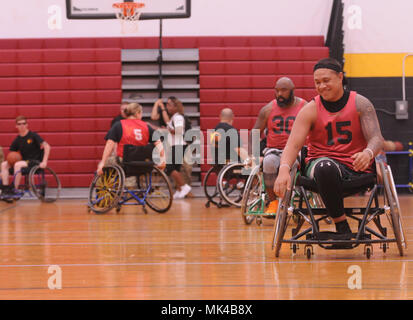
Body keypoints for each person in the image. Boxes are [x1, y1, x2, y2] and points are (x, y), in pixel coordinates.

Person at [274, 58, 384, 239]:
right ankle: (341, 225)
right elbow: (293, 145)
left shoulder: (361, 104)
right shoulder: (310, 109)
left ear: (340, 77)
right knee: (326, 166)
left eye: (326, 81)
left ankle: (341, 226)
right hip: (319, 167)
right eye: (317, 82)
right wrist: (284, 169)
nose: (321, 86)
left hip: (354, 166)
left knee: (330, 166)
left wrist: (368, 152)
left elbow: (376, 138)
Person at [251, 77, 307, 214]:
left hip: (296, 149)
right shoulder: (268, 109)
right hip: (274, 149)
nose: (279, 94)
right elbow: (255, 133)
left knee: (291, 166)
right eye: (277, 91)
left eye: (283, 90)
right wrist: (255, 155)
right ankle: (273, 202)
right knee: (268, 163)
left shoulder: (304, 107)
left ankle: (288, 200)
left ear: (292, 91)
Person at [97, 103, 165, 175]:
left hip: (125, 161)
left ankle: (102, 185)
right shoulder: (147, 127)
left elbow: (109, 144)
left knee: (107, 163)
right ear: (138, 113)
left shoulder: (119, 125)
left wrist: (103, 162)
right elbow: (159, 143)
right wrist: (163, 160)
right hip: (144, 162)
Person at [1, 116, 51, 198]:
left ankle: (14, 190)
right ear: (16, 126)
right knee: (4, 164)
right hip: (23, 162)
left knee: (17, 164)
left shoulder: (33, 135)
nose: (22, 126)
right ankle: (5, 190)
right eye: (19, 124)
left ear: (27, 125)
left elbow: (47, 146)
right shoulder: (17, 139)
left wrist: (44, 162)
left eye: (24, 123)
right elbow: (12, 153)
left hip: (35, 162)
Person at [164, 96, 192, 199]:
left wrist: (170, 129)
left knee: (170, 168)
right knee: (176, 169)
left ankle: (184, 187)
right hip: (176, 145)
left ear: (175, 106)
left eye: (169, 104)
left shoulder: (178, 117)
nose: (167, 107)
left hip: (179, 145)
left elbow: (179, 131)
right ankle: (179, 189)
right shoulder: (174, 117)